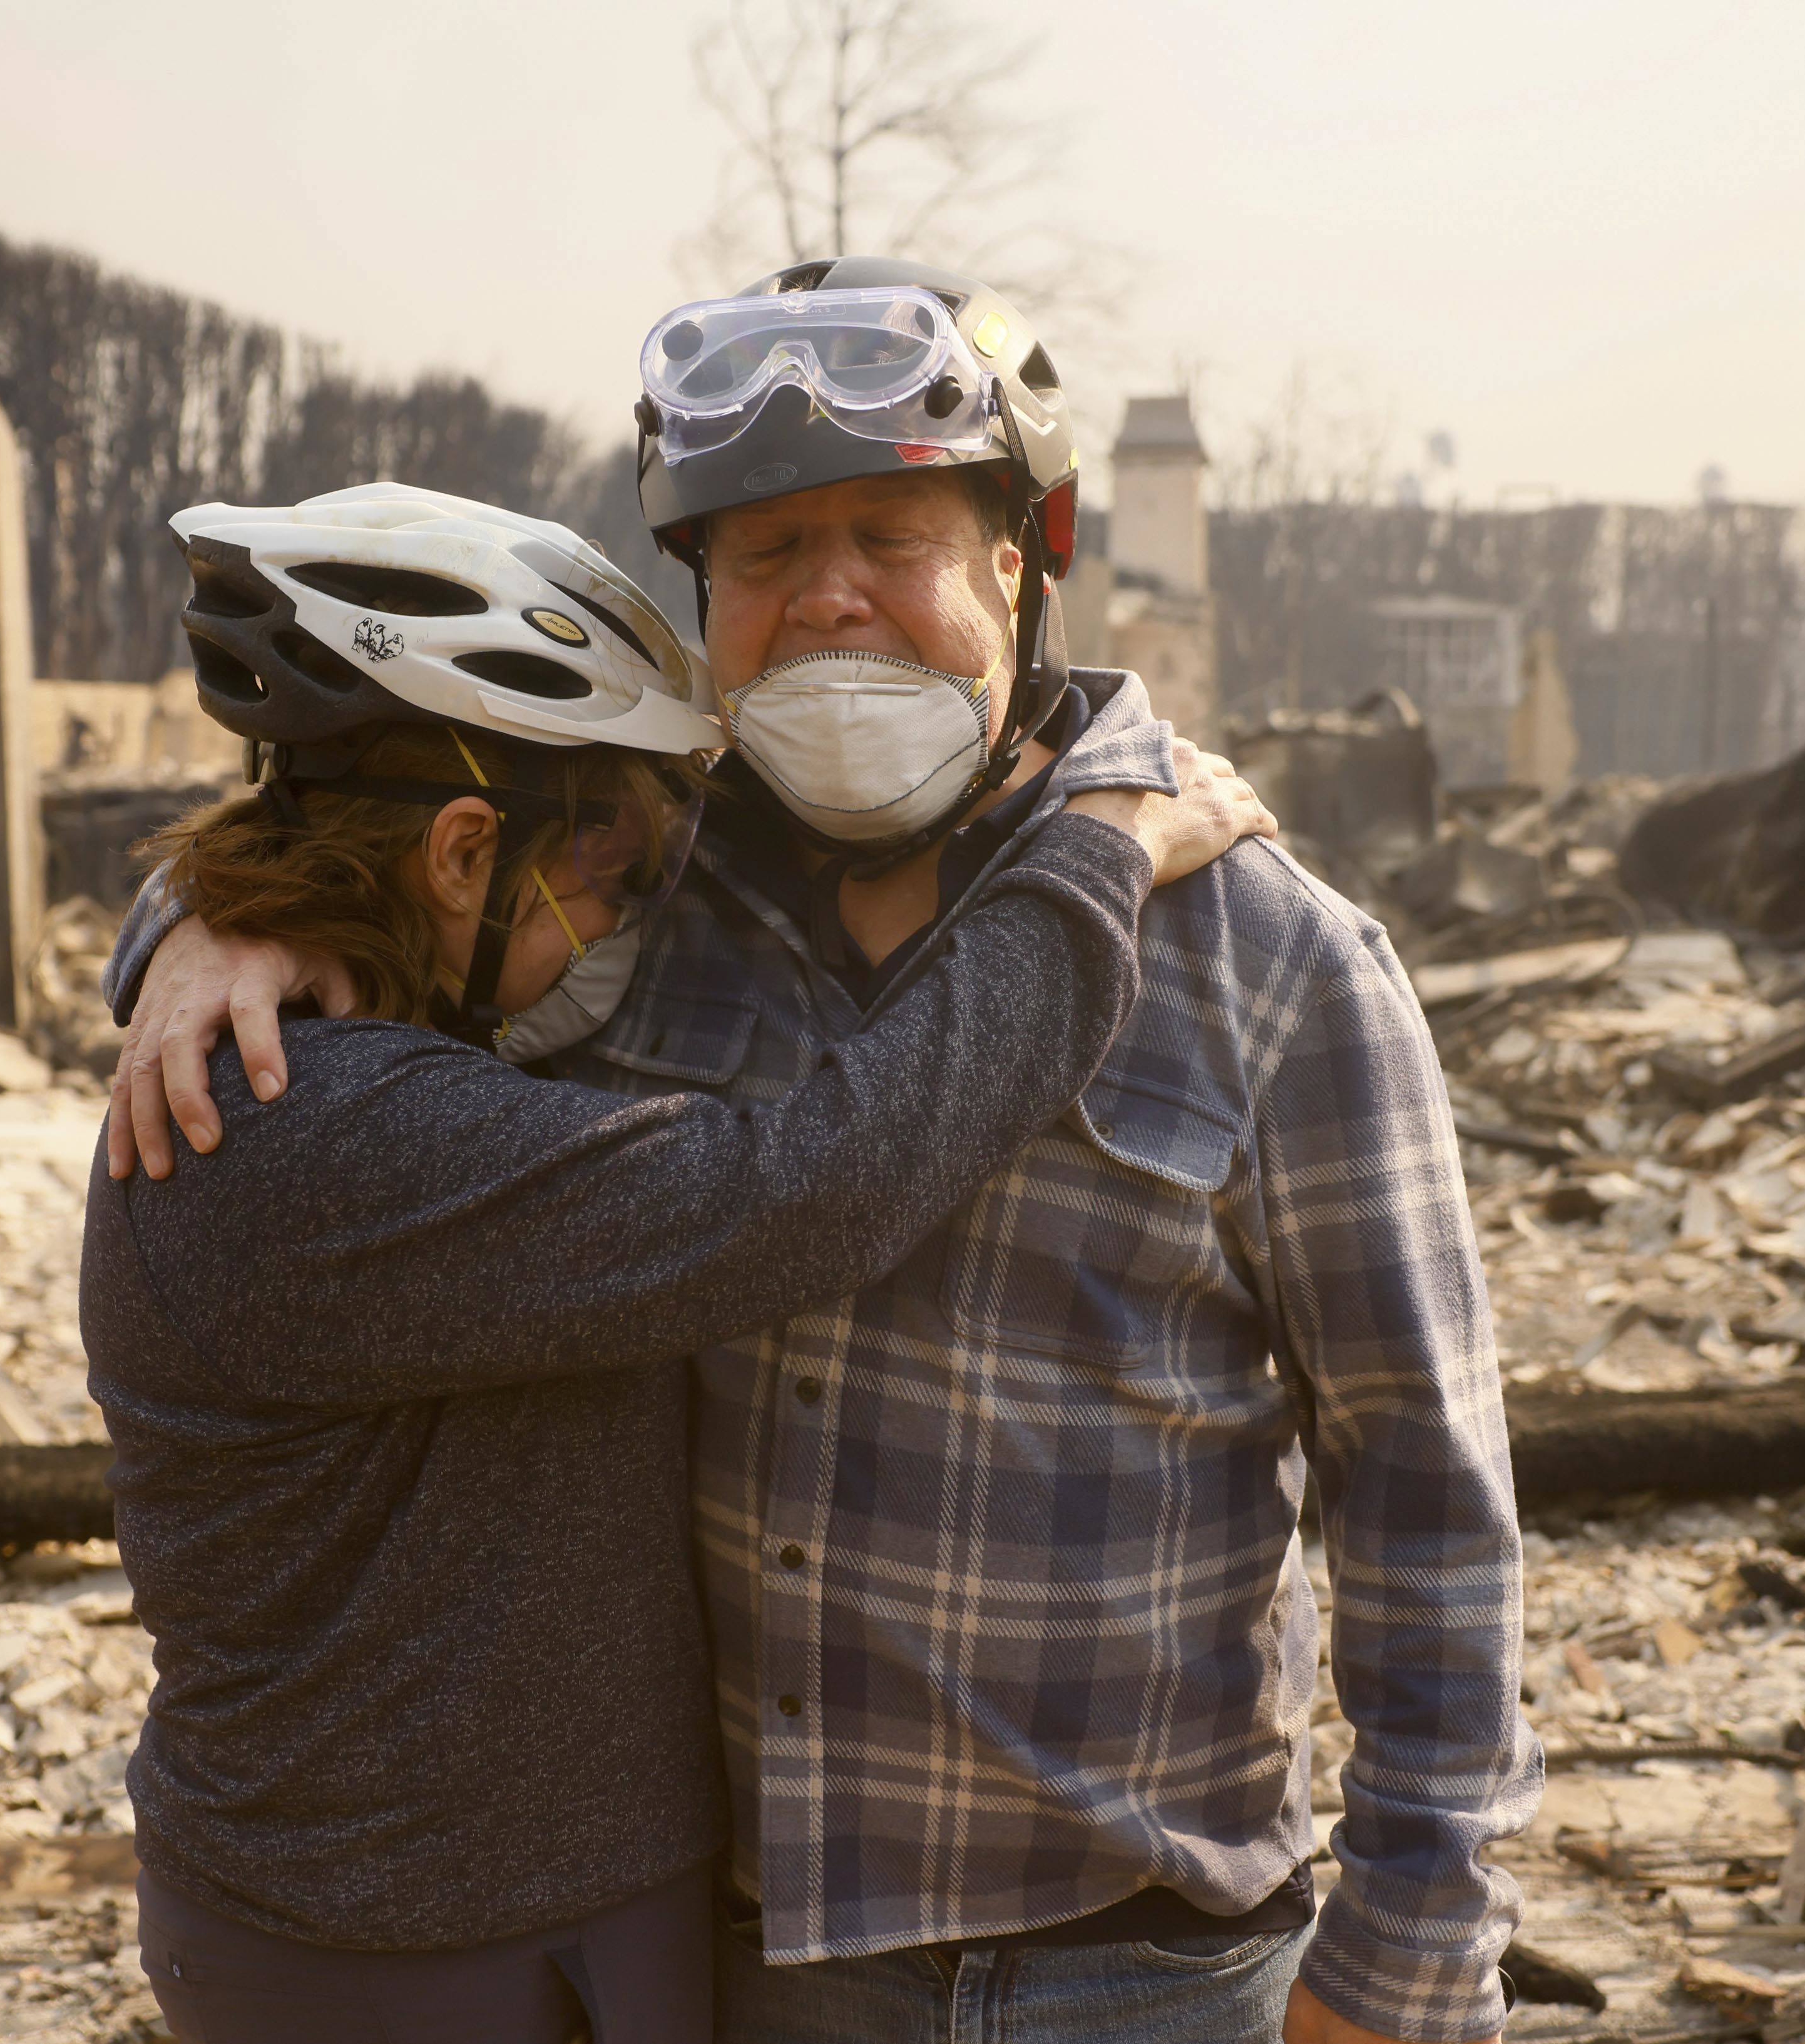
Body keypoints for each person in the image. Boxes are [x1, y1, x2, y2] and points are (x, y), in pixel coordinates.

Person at [107, 264, 1535, 2044]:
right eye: (767, 555)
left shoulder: (1273, 960)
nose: (830, 601)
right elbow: (401, 854)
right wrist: (196, 928)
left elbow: (1426, 1496)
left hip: (1144, 1970)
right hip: (755, 1971)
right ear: (702, 596)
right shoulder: (646, 909)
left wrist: (1410, 1956)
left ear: (1022, 558)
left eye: (890, 533)